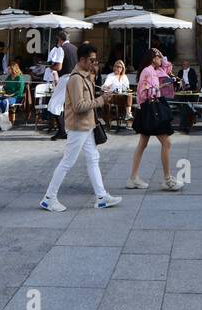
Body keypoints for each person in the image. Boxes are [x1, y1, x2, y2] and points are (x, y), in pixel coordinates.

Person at [40, 43, 123, 212]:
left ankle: (101, 197)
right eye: (92, 60)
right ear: (82, 60)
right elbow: (79, 106)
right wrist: (101, 101)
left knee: (93, 159)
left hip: (87, 125)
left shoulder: (84, 76)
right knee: (67, 162)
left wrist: (100, 94)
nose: (94, 63)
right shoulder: (76, 78)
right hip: (79, 126)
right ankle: (49, 198)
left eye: (96, 60)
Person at [127, 50, 184, 191]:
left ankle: (133, 178)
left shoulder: (154, 70)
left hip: (149, 109)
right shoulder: (148, 71)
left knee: (143, 144)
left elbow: (166, 66)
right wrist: (161, 87)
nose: (162, 59)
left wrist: (161, 61)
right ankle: (167, 179)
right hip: (152, 109)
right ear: (153, 59)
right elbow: (145, 93)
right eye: (159, 57)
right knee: (166, 143)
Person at [47, 31, 78, 141]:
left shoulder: (61, 49)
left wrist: (50, 66)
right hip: (76, 78)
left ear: (60, 39)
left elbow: (59, 67)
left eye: (57, 40)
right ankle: (63, 130)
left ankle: (62, 131)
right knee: (59, 105)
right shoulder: (75, 48)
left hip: (66, 78)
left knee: (53, 104)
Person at [0, 61, 27, 130]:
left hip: (16, 97)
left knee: (4, 102)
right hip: (7, 95)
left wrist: (10, 95)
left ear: (13, 69)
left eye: (9, 68)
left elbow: (20, 91)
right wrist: (2, 91)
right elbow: (5, 87)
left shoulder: (19, 78)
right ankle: (0, 121)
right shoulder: (9, 77)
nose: (8, 70)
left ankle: (5, 121)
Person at [101, 60, 133, 127]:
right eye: (116, 66)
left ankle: (128, 114)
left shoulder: (124, 77)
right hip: (112, 97)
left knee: (129, 95)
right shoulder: (110, 76)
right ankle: (108, 120)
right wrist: (105, 87)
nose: (117, 68)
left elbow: (127, 88)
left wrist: (127, 90)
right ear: (114, 67)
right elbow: (105, 85)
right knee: (107, 102)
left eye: (119, 67)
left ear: (122, 69)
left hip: (121, 97)